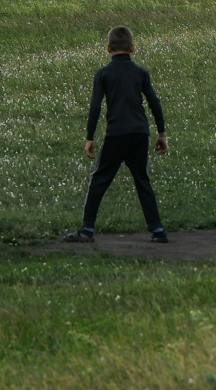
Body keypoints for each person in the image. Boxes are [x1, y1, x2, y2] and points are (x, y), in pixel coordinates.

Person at [66, 25, 169, 243]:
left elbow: (95, 106)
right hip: (140, 133)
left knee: (99, 180)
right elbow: (154, 103)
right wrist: (161, 132)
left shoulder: (103, 74)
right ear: (133, 48)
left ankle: (87, 230)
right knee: (142, 180)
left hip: (116, 134)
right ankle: (157, 230)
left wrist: (90, 137)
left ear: (108, 48)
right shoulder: (141, 73)